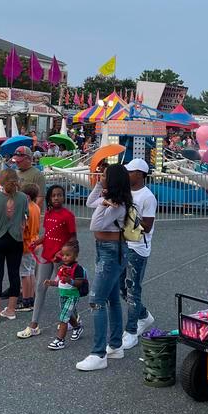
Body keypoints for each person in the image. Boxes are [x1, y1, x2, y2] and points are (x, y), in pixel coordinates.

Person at [76, 163, 131, 372]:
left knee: (96, 300)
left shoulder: (116, 205)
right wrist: (100, 187)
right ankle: (115, 345)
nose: (102, 177)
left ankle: (98, 353)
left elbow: (95, 224)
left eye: (105, 175)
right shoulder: (113, 200)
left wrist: (105, 202)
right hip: (108, 249)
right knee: (112, 298)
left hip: (111, 252)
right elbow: (91, 202)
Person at [17, 184, 78, 340]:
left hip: (60, 258)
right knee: (40, 286)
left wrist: (64, 253)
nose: (56, 198)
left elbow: (73, 237)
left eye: (59, 195)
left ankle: (74, 318)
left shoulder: (68, 215)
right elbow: (48, 234)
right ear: (50, 198)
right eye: (53, 195)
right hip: (46, 255)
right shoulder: (49, 214)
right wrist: (38, 242)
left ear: (64, 197)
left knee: (64, 289)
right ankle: (34, 324)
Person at [0, 168, 29, 323]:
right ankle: (11, 309)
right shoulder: (22, 198)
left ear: (0, 181)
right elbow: (24, 217)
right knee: (14, 273)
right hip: (15, 239)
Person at [121, 158, 158, 350]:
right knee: (122, 288)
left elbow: (148, 225)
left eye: (130, 171)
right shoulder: (125, 192)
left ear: (140, 174)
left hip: (138, 247)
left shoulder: (147, 196)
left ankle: (131, 330)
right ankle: (144, 316)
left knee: (133, 289)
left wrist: (128, 217)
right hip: (123, 244)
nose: (127, 175)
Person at [45, 240, 86, 350]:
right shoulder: (62, 267)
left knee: (63, 318)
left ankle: (60, 340)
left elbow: (79, 283)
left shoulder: (77, 268)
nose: (65, 257)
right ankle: (77, 327)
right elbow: (59, 281)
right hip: (62, 294)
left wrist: (70, 281)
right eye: (63, 255)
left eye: (68, 255)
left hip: (72, 295)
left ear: (75, 255)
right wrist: (51, 283)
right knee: (68, 314)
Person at [17, 182, 42, 312]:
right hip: (35, 241)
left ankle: (26, 299)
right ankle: (31, 296)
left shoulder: (26, 209)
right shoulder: (36, 207)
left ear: (26, 196)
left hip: (26, 244)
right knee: (31, 271)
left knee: (24, 273)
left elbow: (23, 227)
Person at [11, 146, 46, 211]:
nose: (17, 163)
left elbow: (40, 197)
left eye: (19, 161)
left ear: (28, 159)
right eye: (16, 161)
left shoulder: (37, 174)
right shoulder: (15, 172)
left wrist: (31, 212)